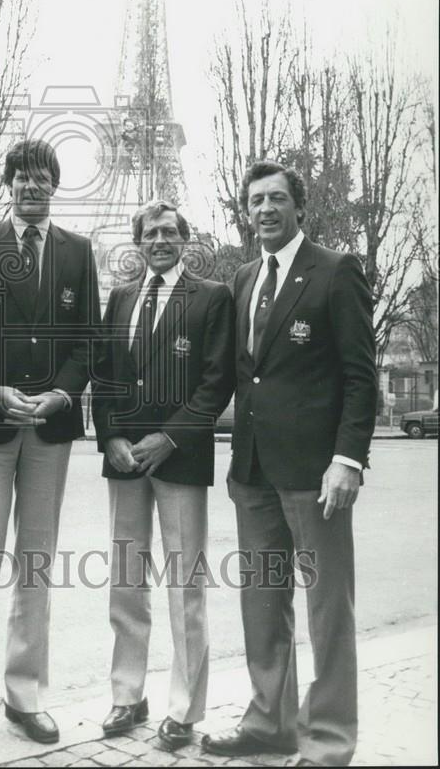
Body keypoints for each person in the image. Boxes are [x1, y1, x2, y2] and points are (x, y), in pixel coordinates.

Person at [202, 161, 377, 768]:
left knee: (327, 609)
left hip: (316, 474)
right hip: (251, 470)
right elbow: (234, 375)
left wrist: (348, 459)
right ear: (245, 212)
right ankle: (270, 722)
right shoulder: (245, 277)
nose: (266, 210)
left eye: (277, 198)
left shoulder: (335, 271)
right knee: (261, 602)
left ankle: (328, 741)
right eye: (255, 201)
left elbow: (360, 375)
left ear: (298, 207)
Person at [0, 139, 101, 751]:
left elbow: (87, 337)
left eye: (43, 179)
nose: (32, 188)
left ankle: (23, 695)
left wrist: (63, 393)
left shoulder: (79, 252)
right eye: (22, 178)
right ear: (8, 184)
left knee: (36, 560)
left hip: (51, 427)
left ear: (55, 186)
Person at [92, 200, 235, 750]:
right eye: (149, 233)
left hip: (179, 455)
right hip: (124, 458)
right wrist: (111, 437)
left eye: (169, 232)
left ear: (185, 239)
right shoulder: (123, 297)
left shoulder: (212, 297)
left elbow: (216, 381)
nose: (159, 240)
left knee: (184, 584)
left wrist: (169, 437)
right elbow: (105, 377)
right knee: (126, 581)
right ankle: (127, 696)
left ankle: (183, 708)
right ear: (139, 242)